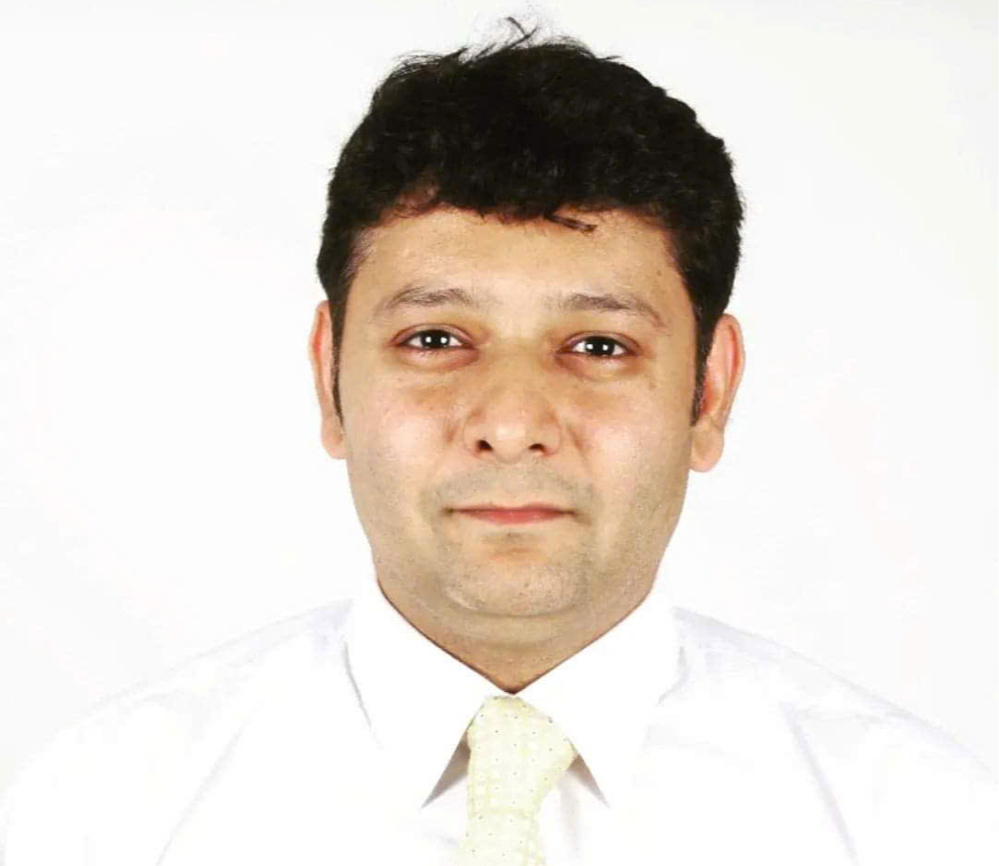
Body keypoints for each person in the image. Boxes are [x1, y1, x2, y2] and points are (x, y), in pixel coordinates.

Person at [1, 21, 995, 866]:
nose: (512, 423)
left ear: (709, 391)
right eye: (435, 340)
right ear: (329, 376)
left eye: (598, 346)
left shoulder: (917, 824)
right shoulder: (101, 815)